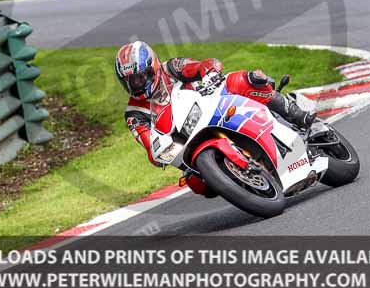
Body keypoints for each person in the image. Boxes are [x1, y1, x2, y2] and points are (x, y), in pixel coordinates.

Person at [115, 41, 316, 194]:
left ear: (154, 67)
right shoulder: (134, 113)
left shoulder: (171, 68)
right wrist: (157, 153)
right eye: (130, 81)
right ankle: (239, 178)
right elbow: (149, 144)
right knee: (198, 186)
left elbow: (203, 65)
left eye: (141, 76)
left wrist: (209, 72)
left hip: (212, 104)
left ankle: (294, 113)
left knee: (244, 80)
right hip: (186, 142)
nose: (138, 84)